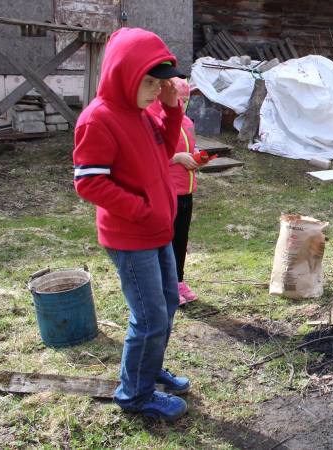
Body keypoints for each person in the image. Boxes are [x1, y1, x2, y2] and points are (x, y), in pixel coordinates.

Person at [72, 27, 192, 421]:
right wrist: (142, 210)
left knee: (168, 303)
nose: (157, 90)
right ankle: (134, 394)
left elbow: (166, 149)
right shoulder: (99, 119)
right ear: (124, 72)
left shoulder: (141, 114)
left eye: (161, 83)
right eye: (151, 82)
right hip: (131, 235)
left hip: (158, 231)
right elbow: (88, 182)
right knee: (150, 315)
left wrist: (172, 109)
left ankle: (148, 366)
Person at [147, 79, 203, 305]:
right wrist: (177, 159)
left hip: (186, 190)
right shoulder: (155, 120)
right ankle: (166, 285)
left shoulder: (187, 121)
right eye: (179, 99)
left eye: (185, 101)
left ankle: (178, 280)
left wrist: (198, 157)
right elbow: (153, 158)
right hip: (168, 190)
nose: (182, 104)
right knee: (166, 241)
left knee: (181, 239)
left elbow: (191, 146)